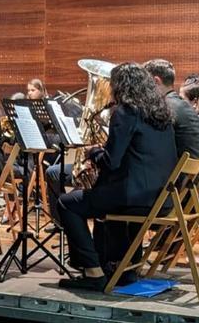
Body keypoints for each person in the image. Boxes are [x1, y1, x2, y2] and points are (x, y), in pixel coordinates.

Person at [57, 63, 177, 291]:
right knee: (97, 199)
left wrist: (94, 152)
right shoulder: (161, 113)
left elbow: (111, 161)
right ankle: (122, 267)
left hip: (133, 198)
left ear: (121, 86)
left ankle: (92, 271)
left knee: (67, 203)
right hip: (160, 198)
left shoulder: (126, 111)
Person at [144, 59, 199, 159]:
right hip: (196, 172)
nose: (144, 89)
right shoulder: (184, 105)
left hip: (180, 173)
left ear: (156, 81)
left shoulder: (164, 107)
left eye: (145, 83)